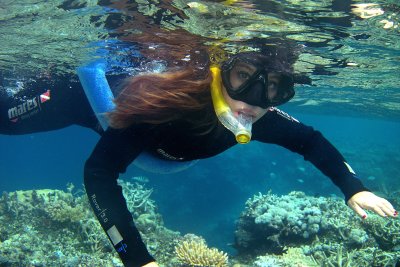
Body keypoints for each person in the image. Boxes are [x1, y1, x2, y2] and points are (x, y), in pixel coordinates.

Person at [1, 39, 397, 267]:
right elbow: (99, 173)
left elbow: (310, 140)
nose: (256, 102)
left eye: (274, 88)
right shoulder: (165, 110)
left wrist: (352, 187)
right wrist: (138, 259)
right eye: (243, 78)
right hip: (73, 96)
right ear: (222, 72)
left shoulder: (262, 118)